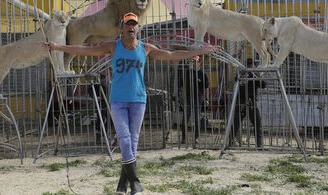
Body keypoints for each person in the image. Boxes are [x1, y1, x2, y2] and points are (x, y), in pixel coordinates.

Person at [42, 12, 217, 195]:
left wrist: (195, 52)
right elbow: (84, 50)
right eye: (128, 24)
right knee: (124, 139)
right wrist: (56, 46)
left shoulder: (146, 48)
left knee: (132, 142)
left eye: (134, 24)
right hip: (118, 100)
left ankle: (121, 186)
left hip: (139, 100)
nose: (131, 27)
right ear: (122, 29)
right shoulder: (113, 47)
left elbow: (170, 54)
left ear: (138, 28)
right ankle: (135, 183)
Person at [230, 59, 266, 149]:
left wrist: (257, 76)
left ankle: (259, 145)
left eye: (252, 65)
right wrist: (243, 75)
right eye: (249, 65)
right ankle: (230, 142)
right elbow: (236, 80)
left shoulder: (255, 74)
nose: (250, 66)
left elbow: (263, 85)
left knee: (257, 123)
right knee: (236, 122)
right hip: (241, 102)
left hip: (252, 102)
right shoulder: (242, 73)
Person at [178, 55, 209, 144]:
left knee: (197, 119)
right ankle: (183, 138)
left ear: (200, 63)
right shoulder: (187, 73)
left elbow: (206, 88)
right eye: (192, 62)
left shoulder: (203, 74)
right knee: (185, 119)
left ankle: (196, 138)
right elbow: (184, 85)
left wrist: (206, 99)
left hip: (198, 99)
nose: (193, 63)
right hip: (188, 98)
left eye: (195, 62)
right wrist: (182, 97)